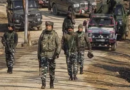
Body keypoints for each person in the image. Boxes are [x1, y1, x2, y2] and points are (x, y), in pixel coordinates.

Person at [37, 21, 61, 89]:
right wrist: (38, 55)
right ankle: (43, 84)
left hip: (52, 55)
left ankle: (51, 83)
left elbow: (59, 44)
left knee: (52, 70)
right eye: (47, 26)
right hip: (43, 54)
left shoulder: (54, 34)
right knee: (43, 70)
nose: (48, 27)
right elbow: (39, 45)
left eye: (49, 26)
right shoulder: (43, 34)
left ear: (52, 27)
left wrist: (57, 52)